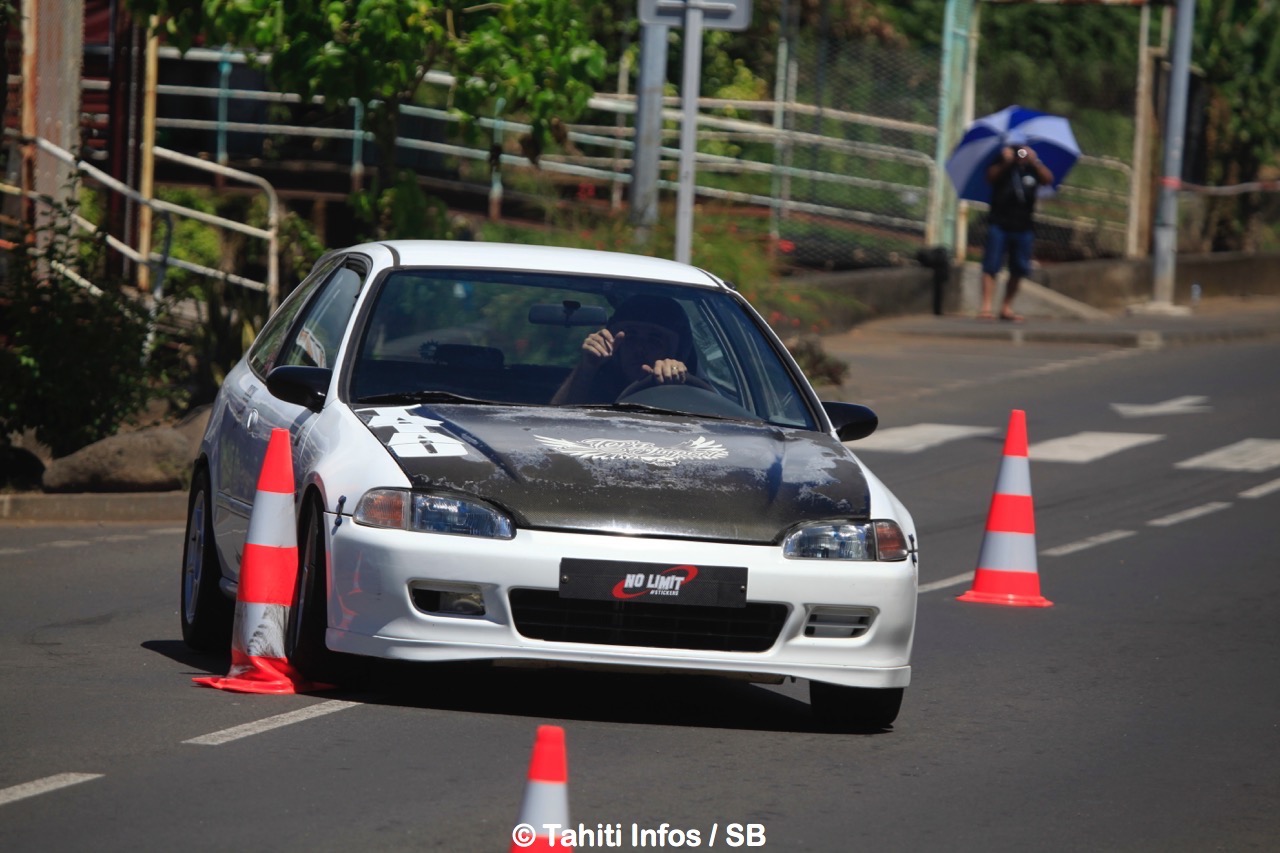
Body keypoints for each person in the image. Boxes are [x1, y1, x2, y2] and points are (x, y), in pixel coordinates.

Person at [551, 294, 698, 404]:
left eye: (654, 340)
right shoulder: (595, 386)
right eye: (630, 337)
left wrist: (676, 382)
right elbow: (558, 421)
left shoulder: (694, 392)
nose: (639, 348)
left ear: (676, 351)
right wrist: (587, 367)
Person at [979, 131, 1054, 322]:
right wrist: (1006, 162)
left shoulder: (1031, 168)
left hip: (1023, 226)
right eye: (1016, 149)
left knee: (1019, 267)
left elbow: (1048, 180)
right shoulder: (1001, 163)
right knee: (991, 265)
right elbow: (990, 177)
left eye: (1022, 149)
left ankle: (1006, 307)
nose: (1019, 152)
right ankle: (986, 307)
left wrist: (1034, 161)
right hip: (1000, 223)